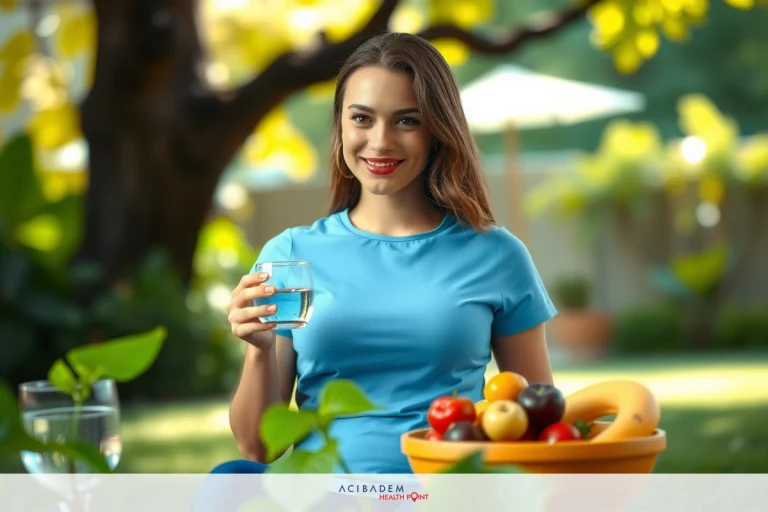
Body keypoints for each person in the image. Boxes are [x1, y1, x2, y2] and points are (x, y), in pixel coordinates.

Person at [219, 32, 558, 475]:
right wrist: (260, 350)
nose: (379, 142)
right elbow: (257, 448)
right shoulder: (290, 254)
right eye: (362, 118)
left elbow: (538, 417)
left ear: (438, 130)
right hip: (324, 495)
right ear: (340, 125)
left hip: (443, 492)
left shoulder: (497, 254)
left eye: (406, 121)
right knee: (229, 480)